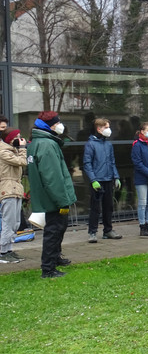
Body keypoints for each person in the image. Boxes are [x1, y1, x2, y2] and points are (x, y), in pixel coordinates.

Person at [26, 111, 77, 278]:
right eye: (57, 122)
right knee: (54, 231)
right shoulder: (47, 145)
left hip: (47, 195)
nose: (60, 125)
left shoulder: (37, 142)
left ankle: (55, 258)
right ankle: (48, 268)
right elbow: (52, 177)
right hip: (53, 198)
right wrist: (62, 200)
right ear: (50, 126)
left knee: (58, 228)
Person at [82, 118, 122, 243]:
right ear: (99, 129)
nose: (109, 130)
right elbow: (87, 163)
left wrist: (116, 177)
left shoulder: (108, 144)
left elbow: (112, 162)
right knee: (95, 208)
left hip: (108, 179)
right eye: (106, 127)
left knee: (108, 207)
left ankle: (108, 230)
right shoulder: (90, 144)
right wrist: (93, 179)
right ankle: (92, 232)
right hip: (97, 181)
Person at [0, 128, 27, 263]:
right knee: (8, 222)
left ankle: (9, 250)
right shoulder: (3, 152)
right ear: (9, 139)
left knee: (15, 222)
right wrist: (22, 149)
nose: (19, 139)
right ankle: (3, 252)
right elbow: (22, 161)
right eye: (16, 137)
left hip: (15, 189)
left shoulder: (12, 151)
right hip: (8, 189)